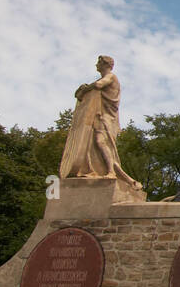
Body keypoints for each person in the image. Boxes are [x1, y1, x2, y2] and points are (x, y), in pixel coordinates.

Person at [59, 55, 144, 196]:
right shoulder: (103, 79)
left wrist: (86, 88)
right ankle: (125, 178)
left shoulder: (111, 77)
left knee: (101, 142)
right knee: (100, 146)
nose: (96, 65)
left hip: (106, 118)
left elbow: (98, 85)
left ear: (105, 64)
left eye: (98, 63)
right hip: (99, 116)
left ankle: (112, 172)